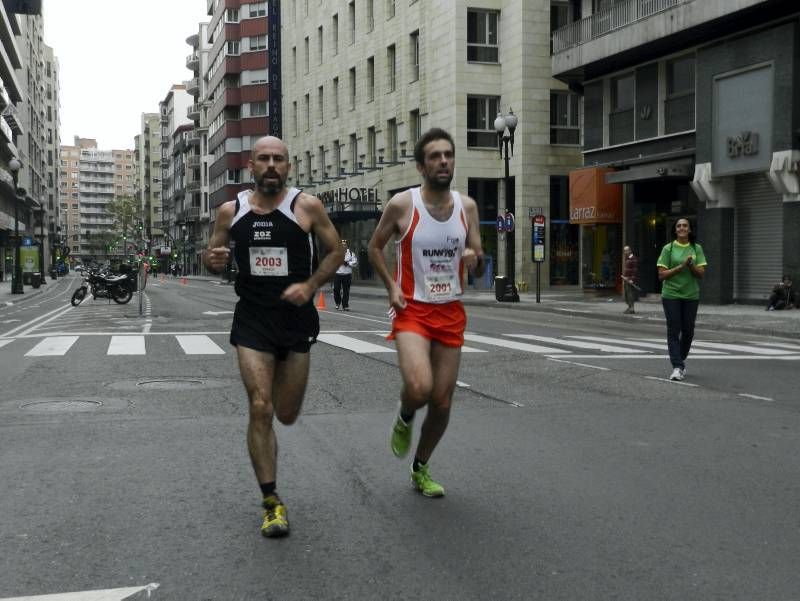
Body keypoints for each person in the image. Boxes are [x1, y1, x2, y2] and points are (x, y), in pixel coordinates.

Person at [203, 136, 344, 538]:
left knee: (285, 412)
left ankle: (271, 483)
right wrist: (211, 260)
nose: (270, 165)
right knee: (261, 407)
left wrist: (312, 284)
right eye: (263, 158)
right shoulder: (231, 211)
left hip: (297, 321)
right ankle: (271, 500)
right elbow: (213, 257)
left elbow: (337, 250)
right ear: (251, 166)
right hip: (253, 319)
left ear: (288, 167)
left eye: (277, 159)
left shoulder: (307, 207)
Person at [367, 128, 485, 498]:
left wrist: (474, 258)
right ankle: (404, 415)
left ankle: (421, 465)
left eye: (448, 155)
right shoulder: (403, 204)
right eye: (434, 156)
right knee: (419, 388)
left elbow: (479, 262)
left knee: (443, 401)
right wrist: (391, 286)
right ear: (421, 166)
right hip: (412, 310)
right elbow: (374, 246)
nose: (443, 161)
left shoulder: (467, 208)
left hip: (450, 310)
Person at [657, 217, 707, 381]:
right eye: (679, 226)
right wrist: (681, 266)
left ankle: (680, 356)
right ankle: (677, 366)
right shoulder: (668, 249)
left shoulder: (696, 248)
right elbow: (661, 275)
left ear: (690, 229)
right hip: (671, 294)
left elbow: (701, 274)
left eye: (685, 225)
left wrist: (691, 265)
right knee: (674, 330)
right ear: (675, 230)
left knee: (688, 330)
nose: (682, 228)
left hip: (691, 295)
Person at [333, 239, 358, 310]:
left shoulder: (351, 253)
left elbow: (355, 262)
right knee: (336, 289)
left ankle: (345, 305)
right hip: (338, 274)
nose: (343, 246)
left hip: (347, 275)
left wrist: (348, 263)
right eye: (342, 245)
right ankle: (338, 302)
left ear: (347, 245)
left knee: (346, 291)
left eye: (344, 245)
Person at [621, 245, 639, 314]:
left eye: (626, 250)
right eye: (624, 251)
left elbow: (635, 270)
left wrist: (632, 279)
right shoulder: (627, 258)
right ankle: (629, 307)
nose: (625, 252)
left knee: (630, 294)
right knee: (626, 294)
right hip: (626, 279)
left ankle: (632, 308)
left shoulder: (633, 258)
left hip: (630, 280)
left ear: (629, 251)